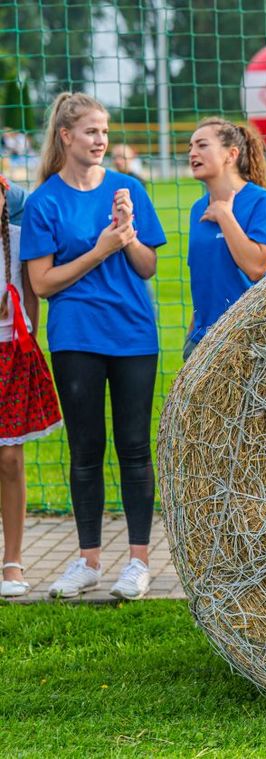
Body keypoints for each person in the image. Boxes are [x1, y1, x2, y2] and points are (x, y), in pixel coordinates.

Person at [20, 92, 167, 600]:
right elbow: (42, 283)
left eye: (104, 131)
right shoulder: (45, 201)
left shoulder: (129, 188)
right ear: (66, 137)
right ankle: (87, 562)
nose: (101, 140)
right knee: (85, 450)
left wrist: (126, 236)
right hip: (77, 338)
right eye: (90, 131)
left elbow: (148, 267)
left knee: (134, 448)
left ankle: (138, 563)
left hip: (133, 335)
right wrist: (98, 249)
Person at [0, 176, 63, 598]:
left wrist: (31, 340)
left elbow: (34, 294)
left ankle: (13, 561)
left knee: (9, 459)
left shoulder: (18, 231)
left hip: (10, 353)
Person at [185, 118, 266, 359]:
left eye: (202, 145)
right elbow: (206, 280)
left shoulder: (263, 203)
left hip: (252, 343)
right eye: (190, 147)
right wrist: (191, 338)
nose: (192, 153)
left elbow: (256, 267)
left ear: (231, 154)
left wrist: (224, 215)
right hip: (203, 342)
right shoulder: (198, 209)